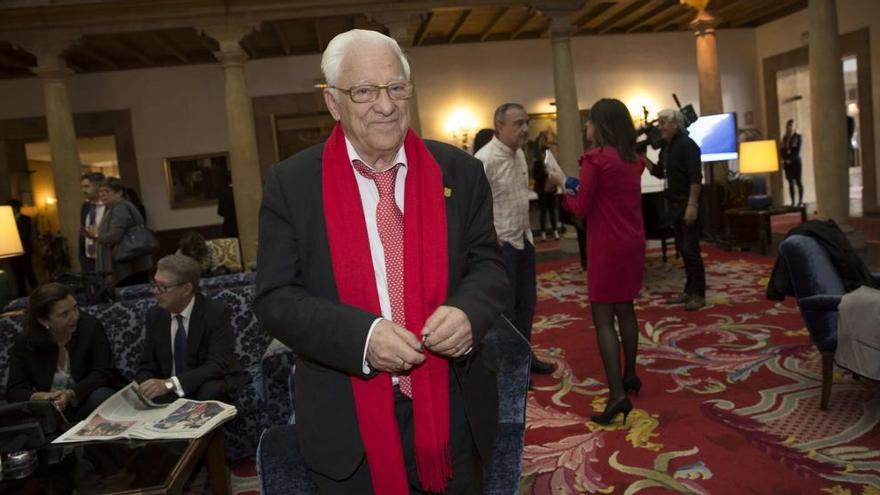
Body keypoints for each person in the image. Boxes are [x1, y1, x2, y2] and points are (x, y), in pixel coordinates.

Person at [254, 29, 509, 494]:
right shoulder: (291, 184)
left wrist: (468, 312)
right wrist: (364, 338)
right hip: (346, 427)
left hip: (452, 412)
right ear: (333, 103)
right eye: (365, 92)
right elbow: (275, 298)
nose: (386, 106)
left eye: (395, 88)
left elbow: (489, 265)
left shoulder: (460, 172)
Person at [547, 98, 646, 425]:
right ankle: (630, 375)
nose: (585, 128)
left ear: (601, 125)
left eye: (589, 122)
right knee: (626, 310)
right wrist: (572, 184)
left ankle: (616, 394)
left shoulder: (596, 159)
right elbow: (601, 193)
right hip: (632, 241)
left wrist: (562, 182)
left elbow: (580, 207)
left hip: (606, 245)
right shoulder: (633, 160)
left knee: (604, 319)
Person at [475, 102, 555, 376]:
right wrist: (492, 239)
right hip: (502, 246)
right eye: (518, 124)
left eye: (526, 123)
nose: (524, 129)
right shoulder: (485, 159)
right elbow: (475, 204)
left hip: (524, 239)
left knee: (526, 304)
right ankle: (512, 368)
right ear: (500, 126)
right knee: (506, 311)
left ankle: (524, 357)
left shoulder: (519, 153)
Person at [135, 254, 241, 403]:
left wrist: (171, 384)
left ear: (186, 289)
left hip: (202, 385)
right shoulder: (155, 315)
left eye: (163, 287)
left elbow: (216, 365)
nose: (155, 292)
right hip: (167, 392)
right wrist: (146, 386)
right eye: (155, 284)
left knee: (212, 390)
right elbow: (147, 364)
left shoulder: (216, 313)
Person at [6, 283, 119, 421]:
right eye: (64, 314)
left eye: (75, 308)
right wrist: (39, 396)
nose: (75, 316)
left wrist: (71, 394)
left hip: (87, 398)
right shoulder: (26, 342)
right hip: (54, 409)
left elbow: (104, 372)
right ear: (43, 320)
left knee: (101, 397)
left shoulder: (90, 327)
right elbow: (14, 390)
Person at [646, 108, 706, 311]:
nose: (660, 127)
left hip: (686, 205)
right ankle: (689, 290)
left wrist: (692, 205)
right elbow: (658, 173)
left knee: (691, 251)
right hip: (674, 207)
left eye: (664, 123)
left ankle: (698, 293)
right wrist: (641, 158)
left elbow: (696, 178)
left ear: (675, 124)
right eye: (660, 123)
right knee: (684, 250)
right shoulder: (668, 147)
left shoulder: (688, 145)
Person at [84, 177, 153, 287]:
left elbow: (114, 236)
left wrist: (96, 235)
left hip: (129, 263)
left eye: (106, 191)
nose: (102, 195)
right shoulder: (114, 207)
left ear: (119, 193)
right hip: (131, 262)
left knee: (132, 295)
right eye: (100, 192)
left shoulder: (120, 207)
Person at [532, 132, 560, 242]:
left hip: (551, 190)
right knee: (543, 212)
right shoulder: (537, 162)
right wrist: (544, 172)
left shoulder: (551, 161)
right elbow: (536, 176)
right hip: (542, 191)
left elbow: (555, 172)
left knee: (552, 212)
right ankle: (543, 233)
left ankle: (555, 232)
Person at [7, 199, 38, 297]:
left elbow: (26, 234)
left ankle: (36, 292)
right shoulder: (8, 219)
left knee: (29, 272)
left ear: (15, 208)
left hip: (24, 250)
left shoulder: (25, 218)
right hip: (13, 251)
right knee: (17, 274)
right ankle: (22, 294)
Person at [79, 172, 106, 272]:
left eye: (87, 186)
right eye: (82, 187)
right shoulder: (85, 207)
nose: (83, 190)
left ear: (98, 186)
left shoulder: (109, 206)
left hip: (106, 258)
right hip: (89, 260)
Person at [780, 119, 803, 206]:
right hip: (787, 163)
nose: (790, 127)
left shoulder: (798, 137)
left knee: (798, 181)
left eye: (791, 125)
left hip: (795, 162)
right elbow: (782, 150)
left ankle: (800, 201)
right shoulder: (785, 138)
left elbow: (797, 151)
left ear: (794, 127)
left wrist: (791, 159)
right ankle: (793, 202)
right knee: (790, 182)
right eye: (789, 125)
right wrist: (785, 159)